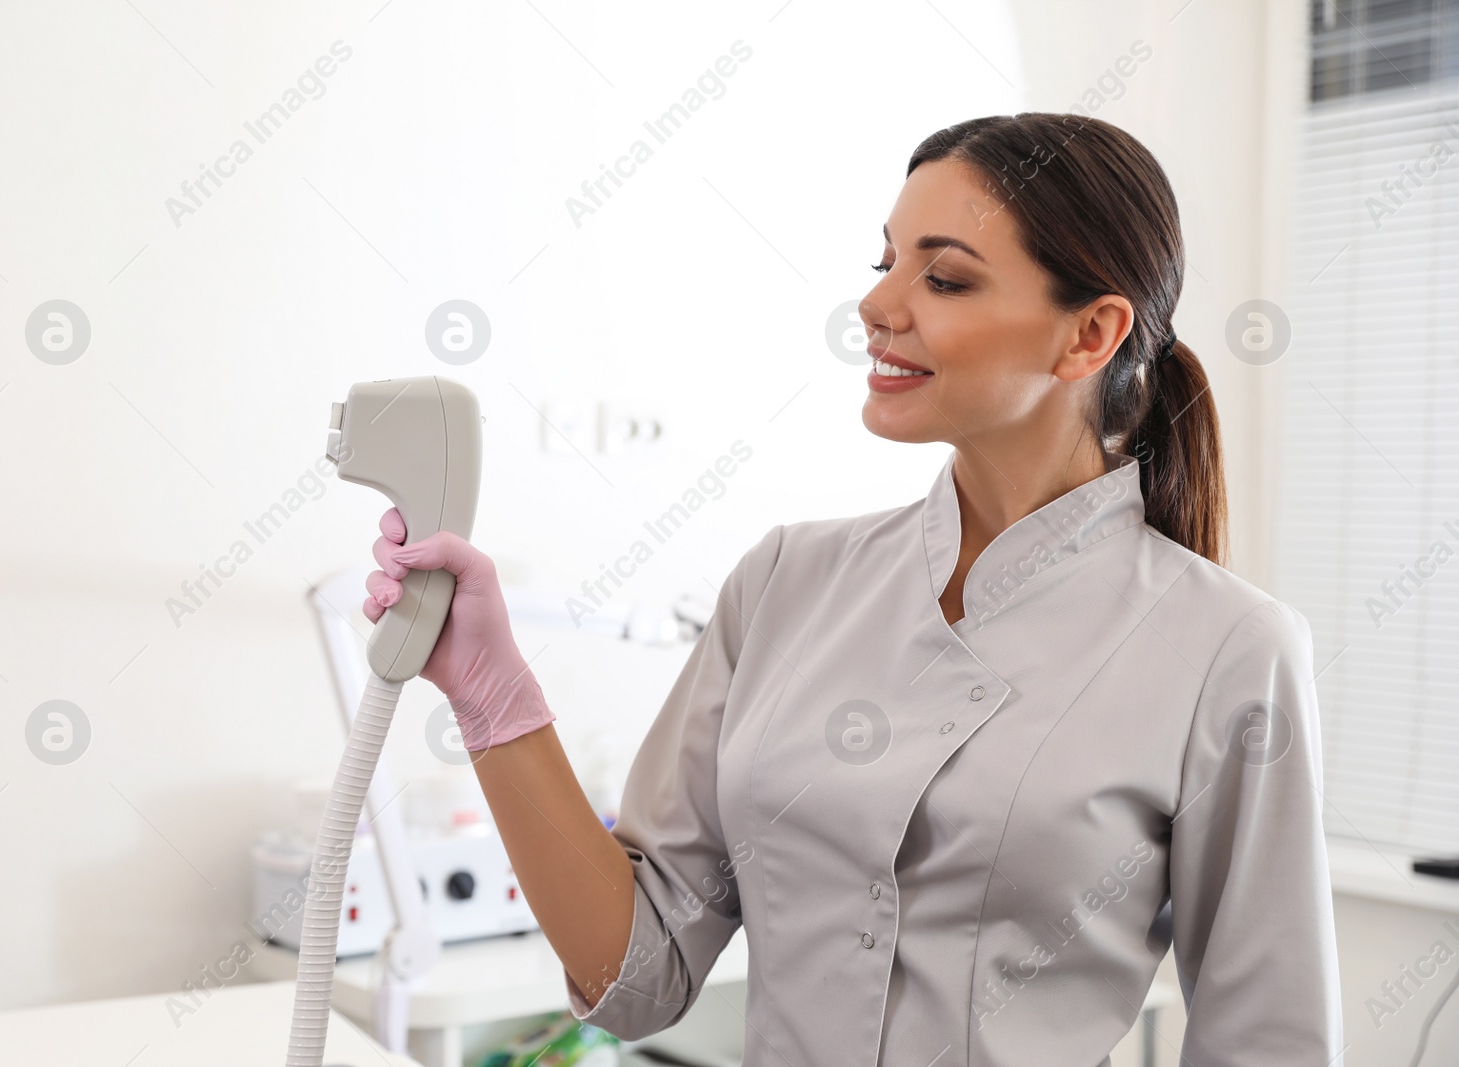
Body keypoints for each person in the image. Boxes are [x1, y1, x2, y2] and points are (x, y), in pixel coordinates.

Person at [362, 113, 1344, 1066]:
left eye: (945, 276)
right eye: (886, 264)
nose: (877, 306)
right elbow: (637, 977)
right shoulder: (786, 582)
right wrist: (491, 690)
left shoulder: (1228, 649)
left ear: (1088, 334)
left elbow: (1269, 1042)